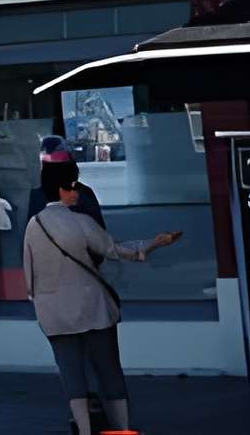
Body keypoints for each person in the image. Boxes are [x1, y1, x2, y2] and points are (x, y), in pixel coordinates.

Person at [22, 159, 178, 435]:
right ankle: (121, 428)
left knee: (71, 374)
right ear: (60, 189)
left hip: (53, 312)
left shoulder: (33, 226)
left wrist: (41, 301)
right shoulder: (80, 222)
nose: (76, 192)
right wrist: (154, 243)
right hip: (91, 307)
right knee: (108, 370)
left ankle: (83, 429)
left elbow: (30, 274)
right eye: (71, 186)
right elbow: (116, 250)